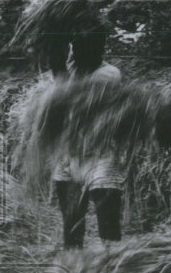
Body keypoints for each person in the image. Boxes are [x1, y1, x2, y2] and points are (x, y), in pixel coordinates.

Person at [51, 28, 124, 250]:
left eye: (88, 50)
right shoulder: (72, 68)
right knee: (72, 218)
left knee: (106, 208)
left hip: (100, 150)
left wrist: (58, 62)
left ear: (100, 50)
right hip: (69, 151)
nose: (79, 55)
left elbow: (70, 94)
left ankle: (112, 260)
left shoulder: (109, 74)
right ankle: (75, 262)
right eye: (77, 48)